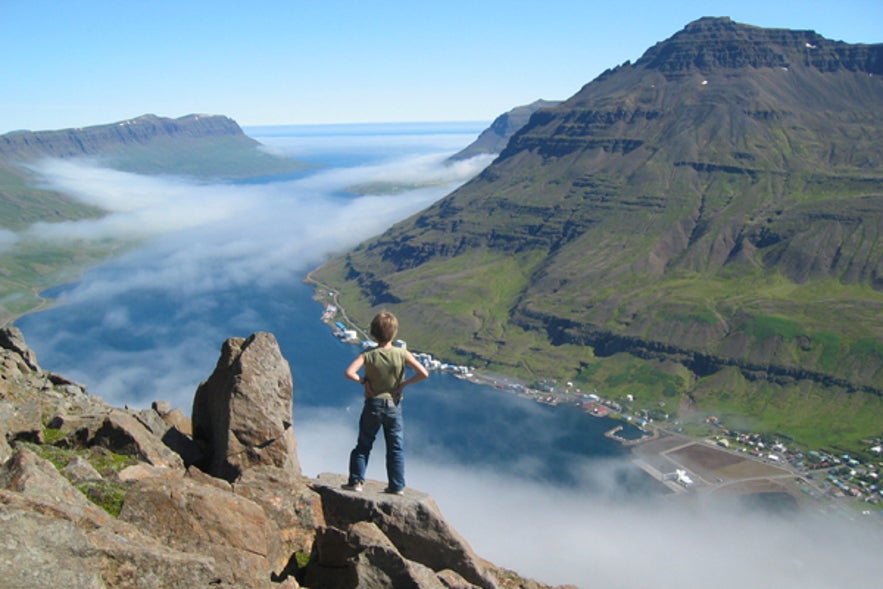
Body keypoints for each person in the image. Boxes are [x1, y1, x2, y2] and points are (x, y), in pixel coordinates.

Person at [343, 311, 429, 495]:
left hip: (373, 405)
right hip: (394, 406)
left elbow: (349, 372)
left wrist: (364, 382)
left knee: (363, 445)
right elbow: (424, 373)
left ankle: (356, 482)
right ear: (394, 333)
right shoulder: (402, 353)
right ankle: (397, 486)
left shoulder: (369, 354)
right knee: (395, 448)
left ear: (373, 332)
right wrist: (404, 384)